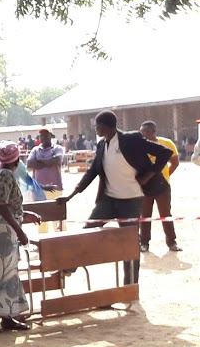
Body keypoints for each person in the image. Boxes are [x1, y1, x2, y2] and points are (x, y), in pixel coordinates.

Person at [58, 111, 173, 285]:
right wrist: (71, 195)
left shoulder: (131, 139)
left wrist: (149, 175)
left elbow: (165, 152)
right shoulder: (102, 145)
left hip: (132, 201)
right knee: (87, 231)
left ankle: (131, 286)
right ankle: (68, 268)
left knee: (129, 245)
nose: (95, 128)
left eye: (96, 125)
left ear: (103, 126)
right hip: (109, 200)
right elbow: (93, 172)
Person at [0, 144, 41, 333]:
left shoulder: (4, 175)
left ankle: (7, 316)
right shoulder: (5, 176)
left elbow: (7, 205)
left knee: (7, 272)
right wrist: (19, 231)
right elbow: (2, 206)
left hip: (3, 227)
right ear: (17, 161)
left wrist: (26, 215)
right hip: (0, 230)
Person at [137, 121, 181, 252]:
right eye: (141, 132)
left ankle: (171, 242)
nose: (143, 135)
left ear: (153, 132)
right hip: (145, 186)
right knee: (145, 215)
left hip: (163, 186)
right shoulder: (140, 146)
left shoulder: (166, 143)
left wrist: (167, 175)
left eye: (146, 132)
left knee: (166, 214)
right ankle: (144, 243)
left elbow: (175, 162)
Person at [26, 128, 65, 232]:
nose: (42, 137)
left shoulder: (58, 148)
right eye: (41, 135)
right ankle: (43, 242)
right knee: (41, 218)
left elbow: (57, 160)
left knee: (58, 217)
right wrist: (48, 162)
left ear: (51, 136)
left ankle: (62, 242)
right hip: (39, 190)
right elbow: (29, 164)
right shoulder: (35, 150)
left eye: (45, 135)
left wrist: (38, 161)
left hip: (55, 188)